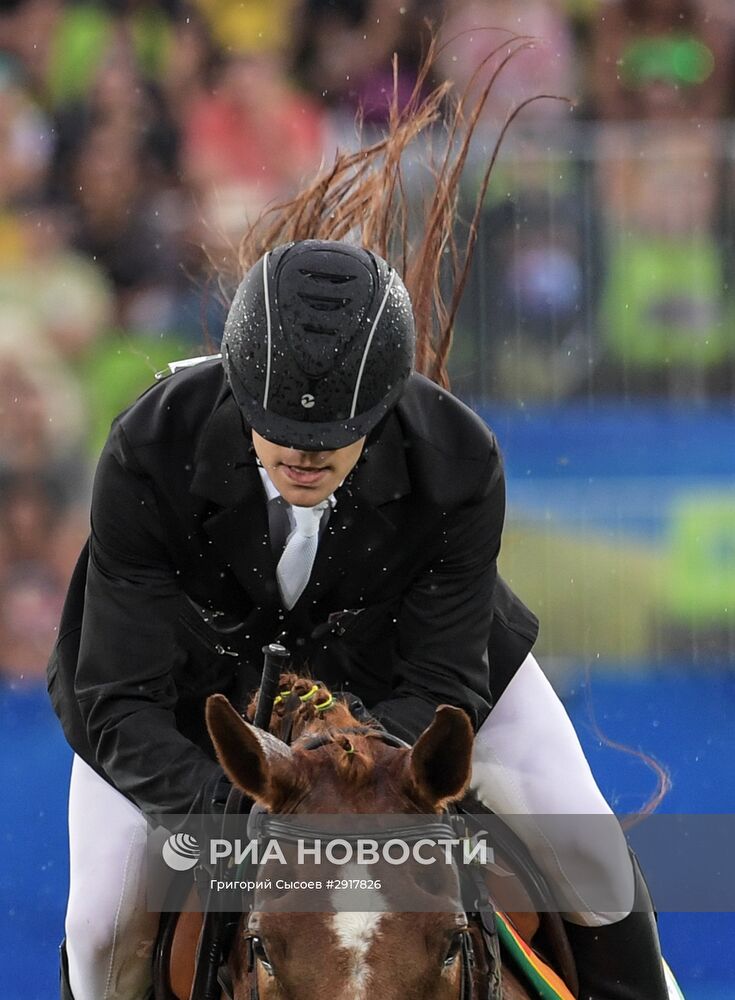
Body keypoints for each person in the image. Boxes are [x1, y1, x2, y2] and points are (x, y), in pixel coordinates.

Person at [48, 66, 674, 1000]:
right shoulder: (150, 450)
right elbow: (119, 697)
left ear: (384, 412)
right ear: (236, 390)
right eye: (280, 433)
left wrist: (371, 788)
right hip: (184, 707)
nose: (303, 459)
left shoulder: (457, 459)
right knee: (100, 928)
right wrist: (241, 813)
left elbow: (445, 673)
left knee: (589, 861)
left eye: (333, 441)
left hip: (409, 682)